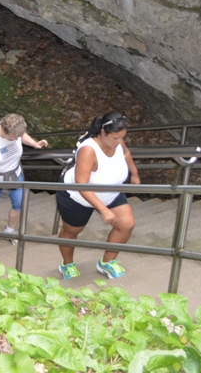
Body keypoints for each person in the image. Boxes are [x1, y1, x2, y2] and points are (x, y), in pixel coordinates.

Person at [57, 111, 140, 280]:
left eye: (122, 138)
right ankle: (67, 264)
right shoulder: (88, 150)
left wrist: (135, 174)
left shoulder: (117, 140)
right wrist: (104, 210)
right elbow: (81, 185)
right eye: (116, 138)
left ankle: (107, 262)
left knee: (126, 224)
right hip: (78, 197)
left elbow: (126, 153)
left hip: (110, 192)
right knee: (71, 232)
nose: (120, 142)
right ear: (103, 132)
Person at [0, 113, 48, 245]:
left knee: (20, 203)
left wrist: (34, 144)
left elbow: (22, 134)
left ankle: (10, 230)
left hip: (14, 173)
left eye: (18, 136)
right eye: (13, 137)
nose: (16, 139)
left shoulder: (15, 131)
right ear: (4, 130)